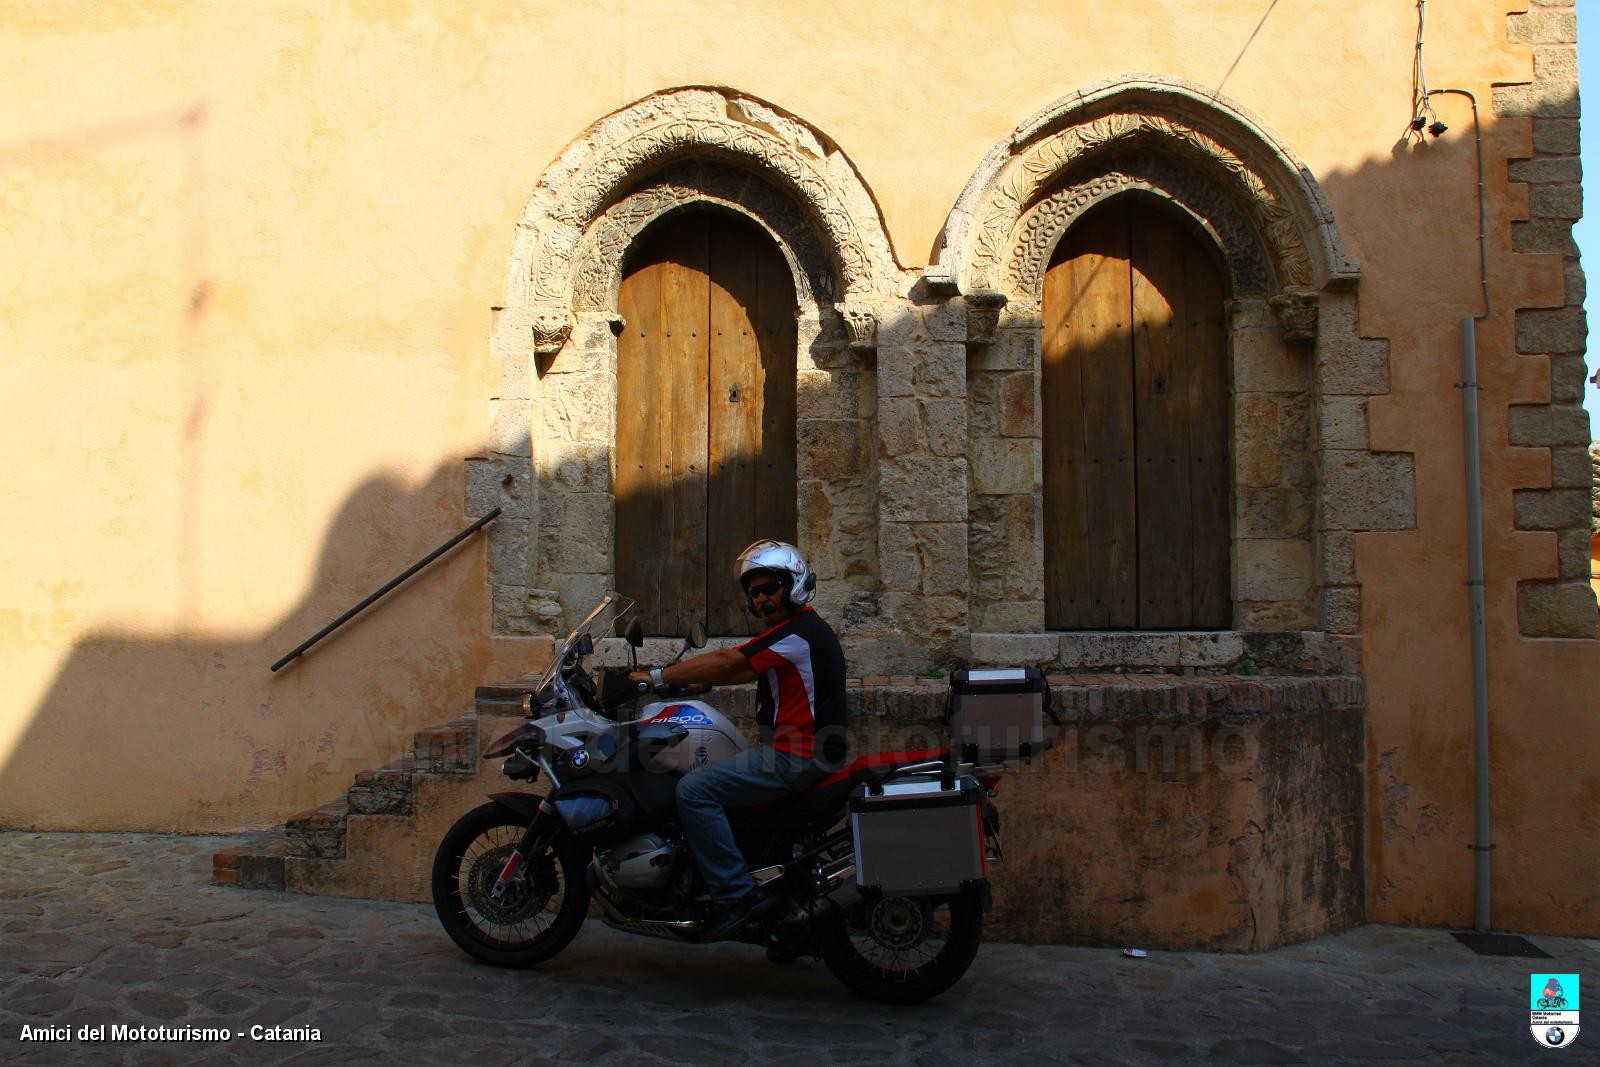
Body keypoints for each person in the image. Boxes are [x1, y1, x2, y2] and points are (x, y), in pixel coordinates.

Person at [627, 539, 848, 940]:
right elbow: (742, 671)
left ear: (794, 584)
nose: (761, 598)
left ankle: (735, 896)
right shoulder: (793, 634)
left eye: (771, 588)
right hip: (803, 752)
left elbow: (732, 661)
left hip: (799, 755)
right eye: (755, 591)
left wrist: (655, 677)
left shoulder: (799, 632)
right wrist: (690, 683)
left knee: (695, 790)